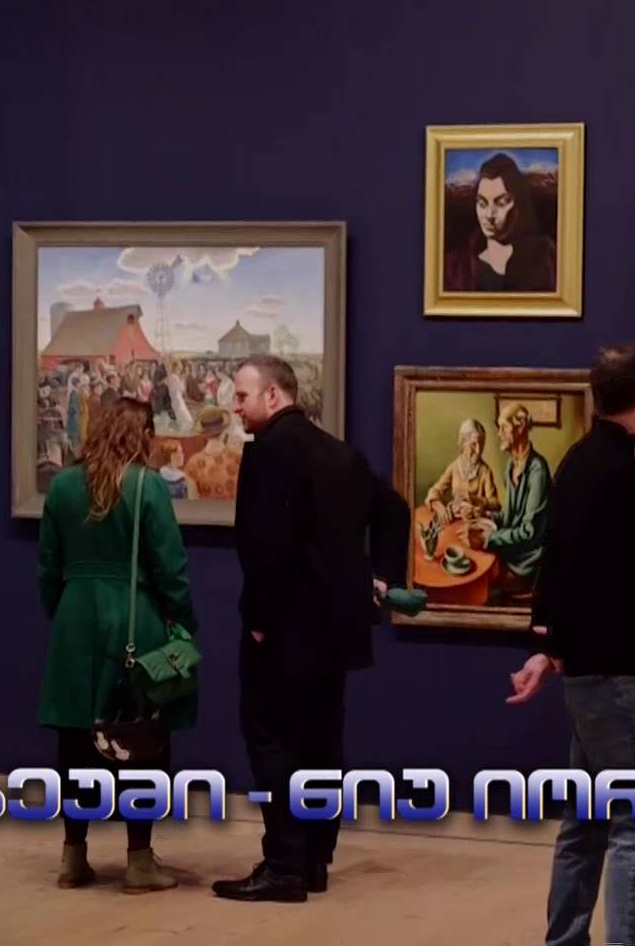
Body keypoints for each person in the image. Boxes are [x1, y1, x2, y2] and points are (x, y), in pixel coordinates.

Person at [212, 355, 408, 903]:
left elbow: (264, 547)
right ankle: (315, 861)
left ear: (274, 395)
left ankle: (283, 866)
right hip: (336, 632)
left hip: (283, 632)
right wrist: (382, 578)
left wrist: (257, 620)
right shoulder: (340, 453)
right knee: (322, 744)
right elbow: (394, 510)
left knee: (272, 742)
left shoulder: (268, 453)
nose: (235, 406)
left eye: (243, 395)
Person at [505, 344, 635, 946]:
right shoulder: (609, 468)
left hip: (595, 674)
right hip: (613, 678)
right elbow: (570, 564)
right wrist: (551, 644)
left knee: (587, 821)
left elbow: (561, 562)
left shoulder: (587, 459)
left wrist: (547, 647)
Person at [35, 397, 196, 895]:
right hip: (135, 618)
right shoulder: (148, 486)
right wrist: (183, 622)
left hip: (75, 619)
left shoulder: (62, 486)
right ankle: (139, 861)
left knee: (73, 740)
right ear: (141, 433)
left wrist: (64, 613)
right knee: (142, 739)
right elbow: (171, 568)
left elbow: (47, 568)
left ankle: (73, 856)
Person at [442, 152, 558, 293]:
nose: (489, 215)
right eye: (482, 203)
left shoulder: (545, 256)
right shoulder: (457, 268)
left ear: (518, 203)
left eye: (501, 203)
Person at [472, 404, 553, 600]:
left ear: (520, 427)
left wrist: (489, 538)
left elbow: (529, 531)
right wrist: (486, 515)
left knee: (482, 585)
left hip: (528, 563)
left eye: (504, 427)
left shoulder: (538, 471)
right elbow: (511, 516)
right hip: (511, 552)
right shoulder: (511, 466)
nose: (499, 434)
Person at [425, 418, 503, 523]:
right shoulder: (454, 467)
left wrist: (475, 500)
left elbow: (495, 503)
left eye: (481, 445)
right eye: (473, 444)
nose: (478, 451)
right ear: (463, 443)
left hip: (477, 521)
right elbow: (435, 490)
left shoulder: (485, 471)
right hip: (455, 520)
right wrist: (438, 506)